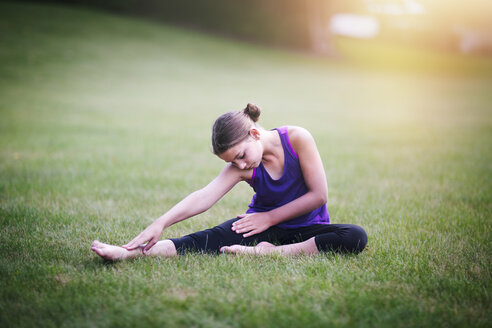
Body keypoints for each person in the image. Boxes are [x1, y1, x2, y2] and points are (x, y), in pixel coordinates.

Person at [91, 103, 367, 260]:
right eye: (232, 163)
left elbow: (319, 196)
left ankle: (270, 254)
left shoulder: (298, 139)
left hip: (308, 229)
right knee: (204, 240)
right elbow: (204, 196)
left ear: (255, 134)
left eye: (241, 156)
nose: (241, 165)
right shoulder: (242, 167)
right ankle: (128, 254)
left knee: (355, 236)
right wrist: (160, 223)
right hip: (257, 228)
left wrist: (269, 217)